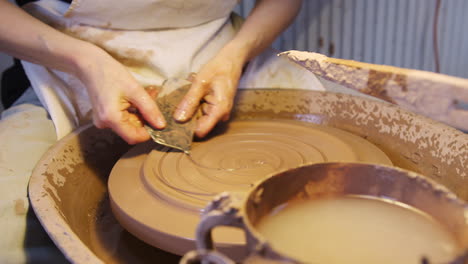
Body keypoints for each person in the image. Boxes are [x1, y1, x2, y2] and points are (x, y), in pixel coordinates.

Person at [0, 0, 323, 262]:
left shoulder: (231, 54)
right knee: (9, 229)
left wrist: (236, 55)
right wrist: (87, 63)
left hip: (222, 50)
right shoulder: (77, 57)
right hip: (65, 52)